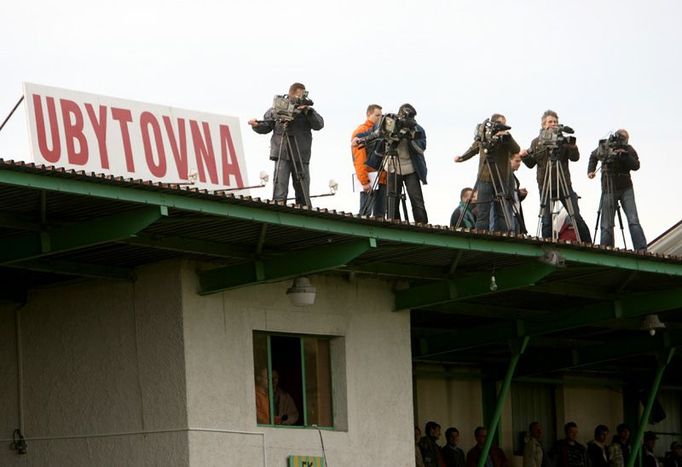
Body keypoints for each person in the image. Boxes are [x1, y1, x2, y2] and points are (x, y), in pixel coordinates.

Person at [248, 82, 324, 207]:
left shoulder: (307, 111)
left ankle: (304, 213)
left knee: (303, 192)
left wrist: (307, 111)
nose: (300, 99)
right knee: (280, 191)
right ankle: (278, 211)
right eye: (299, 96)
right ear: (291, 94)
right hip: (282, 152)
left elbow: (319, 125)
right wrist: (256, 126)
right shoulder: (279, 107)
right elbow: (266, 126)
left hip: (301, 154)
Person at [521, 110, 591, 242]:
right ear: (543, 125)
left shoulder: (563, 140)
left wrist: (572, 147)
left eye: (555, 122)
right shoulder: (536, 142)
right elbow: (531, 164)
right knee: (547, 219)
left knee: (575, 215)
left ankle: (588, 243)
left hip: (563, 183)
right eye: (550, 122)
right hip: (545, 185)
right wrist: (524, 157)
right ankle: (547, 244)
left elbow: (575, 158)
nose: (553, 124)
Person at [455, 114, 520, 232]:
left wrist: (507, 137)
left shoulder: (506, 138)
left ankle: (504, 237)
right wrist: (462, 157)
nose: (504, 126)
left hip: (502, 178)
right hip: (485, 177)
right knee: (483, 212)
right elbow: (474, 148)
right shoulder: (484, 135)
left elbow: (516, 149)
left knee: (502, 212)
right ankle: (481, 237)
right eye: (501, 124)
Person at [367, 103, 428, 223]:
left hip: (411, 168)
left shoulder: (417, 129)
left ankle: (422, 226)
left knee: (417, 201)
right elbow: (374, 135)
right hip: (392, 167)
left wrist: (409, 138)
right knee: (392, 201)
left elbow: (421, 149)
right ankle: (394, 225)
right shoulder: (390, 123)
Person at [587, 129, 647, 251]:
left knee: (633, 220)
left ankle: (641, 249)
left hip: (625, 187)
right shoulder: (605, 146)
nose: (623, 140)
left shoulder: (628, 149)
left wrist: (625, 156)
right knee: (607, 224)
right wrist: (591, 170)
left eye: (625, 138)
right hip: (608, 187)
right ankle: (606, 249)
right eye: (622, 137)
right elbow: (593, 156)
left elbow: (636, 165)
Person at [352, 104, 386, 217]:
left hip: (382, 178)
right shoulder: (361, 131)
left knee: (380, 215)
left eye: (381, 116)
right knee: (365, 213)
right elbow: (359, 159)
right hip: (370, 178)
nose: (379, 118)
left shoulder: (383, 131)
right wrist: (364, 181)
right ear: (368, 114)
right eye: (377, 115)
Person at [511, 152, 528, 234]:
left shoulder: (513, 178)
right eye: (517, 161)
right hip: (509, 214)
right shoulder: (503, 176)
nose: (519, 164)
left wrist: (519, 193)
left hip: (516, 214)